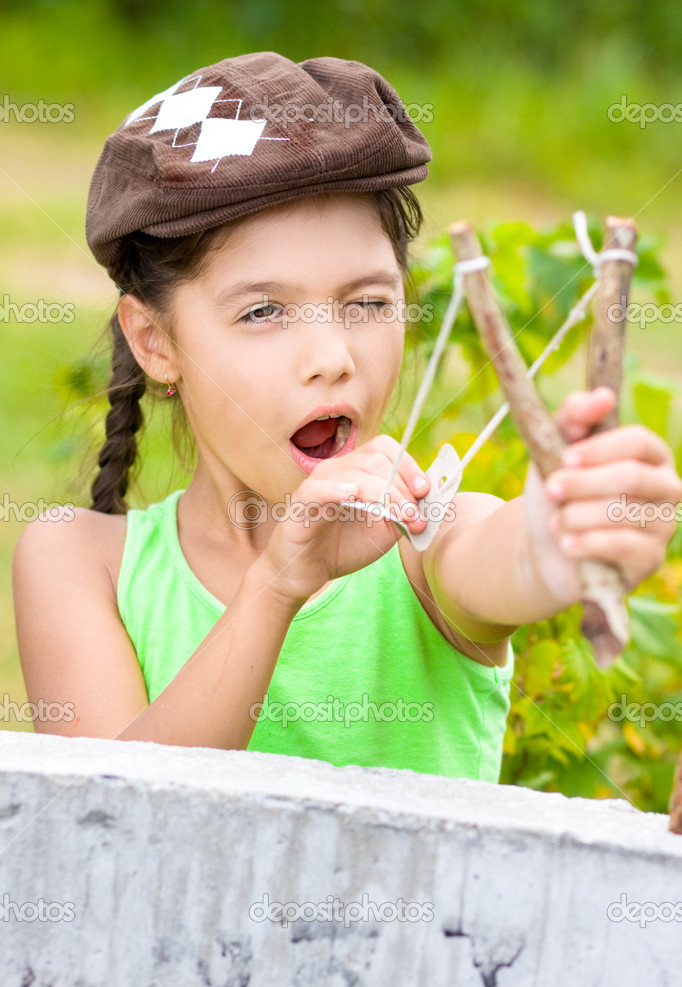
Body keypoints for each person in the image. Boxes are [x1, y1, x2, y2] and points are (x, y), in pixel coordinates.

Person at [12, 52, 682, 782]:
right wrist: (276, 585)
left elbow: (514, 553)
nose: (332, 356)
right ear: (155, 340)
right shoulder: (78, 562)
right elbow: (116, 816)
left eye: (368, 303)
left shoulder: (428, 543)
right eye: (263, 310)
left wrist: (565, 530)